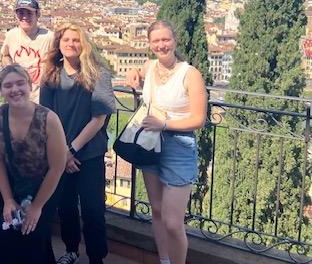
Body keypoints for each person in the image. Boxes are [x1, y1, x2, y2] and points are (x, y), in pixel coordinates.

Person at [125, 20, 207, 264]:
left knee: (173, 222)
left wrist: (165, 124)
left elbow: (198, 119)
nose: (161, 45)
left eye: (166, 40)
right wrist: (135, 74)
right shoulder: (150, 67)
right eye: (156, 41)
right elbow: (141, 76)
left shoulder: (190, 74)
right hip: (150, 143)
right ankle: (164, 260)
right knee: (157, 212)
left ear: (174, 40)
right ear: (149, 45)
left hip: (178, 146)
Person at [41, 23, 115, 264]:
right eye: (66, 40)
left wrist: (70, 150)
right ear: (59, 45)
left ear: (84, 44)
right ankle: (71, 250)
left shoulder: (99, 74)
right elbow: (47, 117)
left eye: (76, 40)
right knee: (66, 207)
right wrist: (63, 152)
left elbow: (99, 119)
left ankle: (96, 257)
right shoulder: (51, 75)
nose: (71, 44)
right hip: (60, 154)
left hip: (90, 153)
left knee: (93, 210)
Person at [0, 64, 67, 264]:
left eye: (20, 83)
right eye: (8, 85)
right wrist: (7, 199)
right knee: (8, 239)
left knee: (35, 240)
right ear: (1, 90)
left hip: (43, 187)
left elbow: (57, 167)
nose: (15, 89)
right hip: (11, 186)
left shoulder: (48, 118)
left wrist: (37, 206)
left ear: (29, 85)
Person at [1, 0, 53, 103]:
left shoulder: (49, 37)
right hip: (16, 98)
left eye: (29, 13)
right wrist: (10, 68)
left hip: (41, 99)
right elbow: (5, 55)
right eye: (20, 13)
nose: (24, 17)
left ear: (38, 15)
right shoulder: (11, 35)